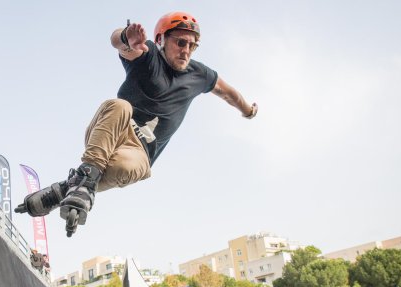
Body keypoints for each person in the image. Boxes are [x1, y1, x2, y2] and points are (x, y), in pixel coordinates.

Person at [15, 12, 257, 236]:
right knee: (121, 105)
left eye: (192, 45)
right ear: (161, 39)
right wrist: (125, 38)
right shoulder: (147, 54)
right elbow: (118, 43)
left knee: (129, 168)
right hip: (111, 131)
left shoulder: (200, 74)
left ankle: (72, 187)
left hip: (139, 152)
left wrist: (247, 110)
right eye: (180, 43)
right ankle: (85, 178)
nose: (186, 51)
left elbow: (229, 93)